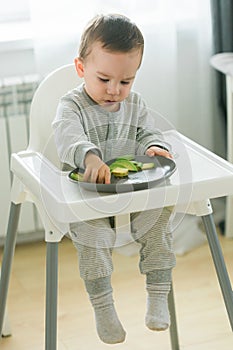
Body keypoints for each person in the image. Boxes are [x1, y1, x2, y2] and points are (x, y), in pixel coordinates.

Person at [52, 13, 176, 344]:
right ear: (81, 68)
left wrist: (154, 146)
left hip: (133, 194)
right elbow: (66, 136)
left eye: (125, 81)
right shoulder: (71, 106)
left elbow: (149, 130)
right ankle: (103, 307)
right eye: (104, 79)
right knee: (91, 237)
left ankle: (158, 293)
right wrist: (89, 155)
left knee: (161, 216)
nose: (114, 90)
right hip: (88, 198)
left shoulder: (134, 104)